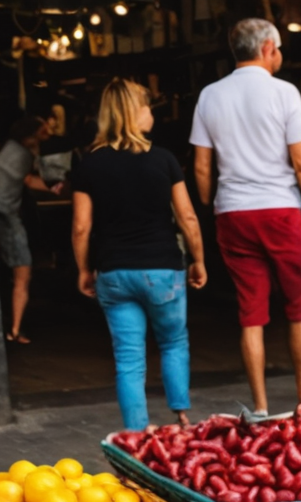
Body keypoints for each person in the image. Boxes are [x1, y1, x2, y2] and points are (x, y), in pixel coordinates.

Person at [190, 18, 301, 414]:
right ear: (268, 47)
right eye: (279, 48)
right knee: (298, 307)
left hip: (232, 213)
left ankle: (261, 406)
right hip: (280, 211)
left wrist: (210, 204)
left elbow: (201, 166)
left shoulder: (209, 95)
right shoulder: (284, 93)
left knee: (251, 313)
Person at [72, 78, 205, 432]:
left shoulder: (89, 164)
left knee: (129, 359)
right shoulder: (164, 159)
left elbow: (81, 227)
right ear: (134, 113)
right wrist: (198, 259)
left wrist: (83, 268)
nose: (152, 113)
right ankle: (181, 416)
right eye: (148, 106)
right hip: (162, 269)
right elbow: (187, 218)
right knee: (173, 342)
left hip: (114, 272)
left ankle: (136, 433)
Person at [0, 115, 57, 345]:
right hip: (6, 218)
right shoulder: (21, 155)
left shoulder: (7, 150)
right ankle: (15, 329)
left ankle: (11, 326)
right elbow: (29, 181)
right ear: (31, 136)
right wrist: (60, 188)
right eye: (44, 133)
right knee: (23, 273)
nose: (48, 137)